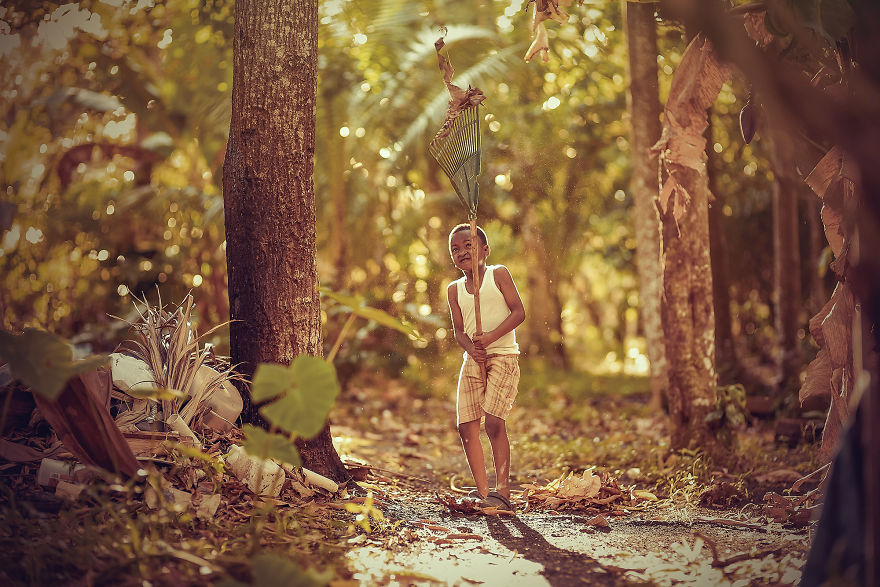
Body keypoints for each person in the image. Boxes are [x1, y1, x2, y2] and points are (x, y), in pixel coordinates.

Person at [446, 223, 525, 510]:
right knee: (466, 426)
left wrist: (490, 338)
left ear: (485, 250)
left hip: (503, 355)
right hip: (473, 360)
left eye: (469, 245)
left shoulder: (498, 274)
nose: (462, 252)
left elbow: (519, 312)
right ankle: (484, 495)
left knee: (493, 422)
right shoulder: (454, 290)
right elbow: (458, 331)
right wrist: (472, 349)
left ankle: (502, 492)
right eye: (455, 249)